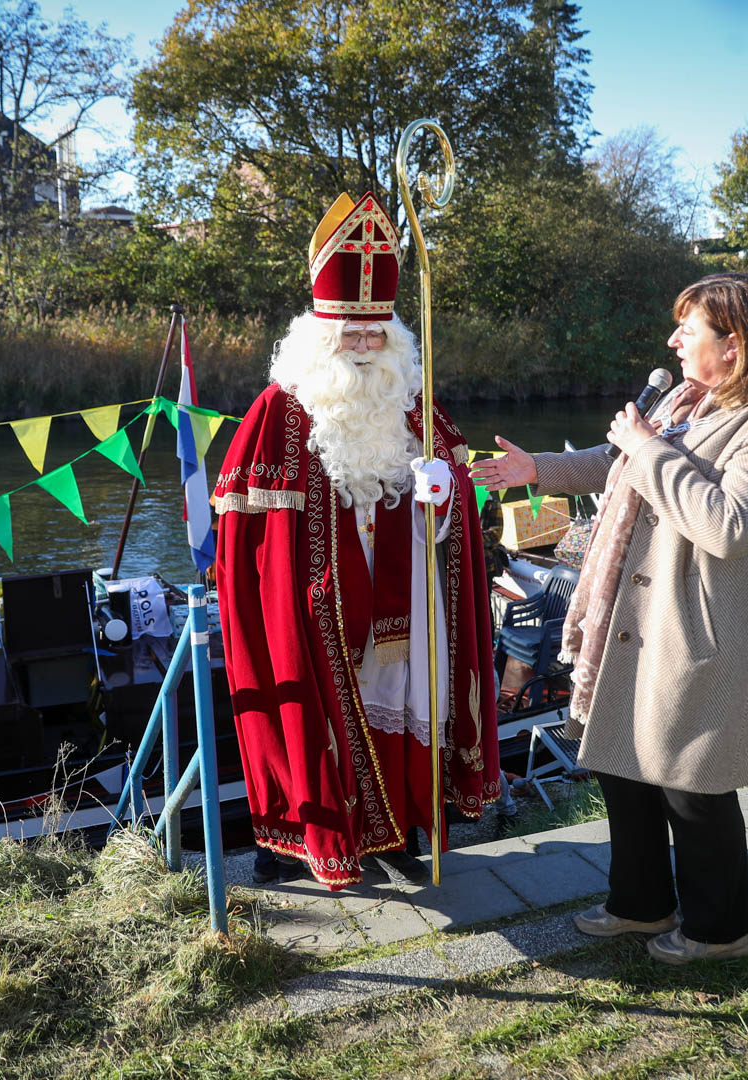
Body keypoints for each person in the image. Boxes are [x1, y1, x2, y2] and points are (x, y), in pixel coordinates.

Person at [469, 272, 748, 963]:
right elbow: (616, 463)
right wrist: (536, 469)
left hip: (711, 622)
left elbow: (730, 527)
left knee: (692, 779)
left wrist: (648, 447)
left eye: (687, 330)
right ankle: (641, 904)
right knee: (623, 762)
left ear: (735, 343)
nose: (673, 341)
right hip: (639, 614)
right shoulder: (688, 402)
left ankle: (720, 931)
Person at [214, 191, 500, 891]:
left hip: (407, 609)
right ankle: (310, 841)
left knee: (406, 704)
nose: (366, 349)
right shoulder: (277, 414)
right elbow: (246, 543)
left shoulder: (415, 405)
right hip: (318, 614)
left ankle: (399, 832)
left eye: (376, 336)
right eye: (351, 336)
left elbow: (457, 517)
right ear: (320, 337)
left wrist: (446, 494)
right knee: (316, 721)